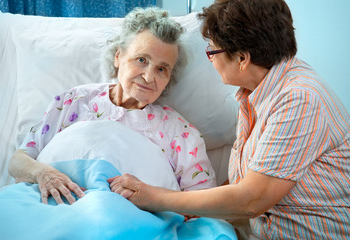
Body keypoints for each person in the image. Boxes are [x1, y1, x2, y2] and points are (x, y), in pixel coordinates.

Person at [109, 0, 350, 239]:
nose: (210, 59)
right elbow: (249, 180)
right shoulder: (256, 94)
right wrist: (187, 207)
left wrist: (153, 197)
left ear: (243, 59)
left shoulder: (299, 99)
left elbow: (252, 200)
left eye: (212, 51)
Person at [8, 7, 217, 206]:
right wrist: (43, 174)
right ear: (118, 56)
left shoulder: (181, 134)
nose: (148, 76)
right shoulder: (73, 102)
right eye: (142, 59)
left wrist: (150, 199)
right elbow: (19, 160)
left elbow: (203, 205)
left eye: (162, 69)